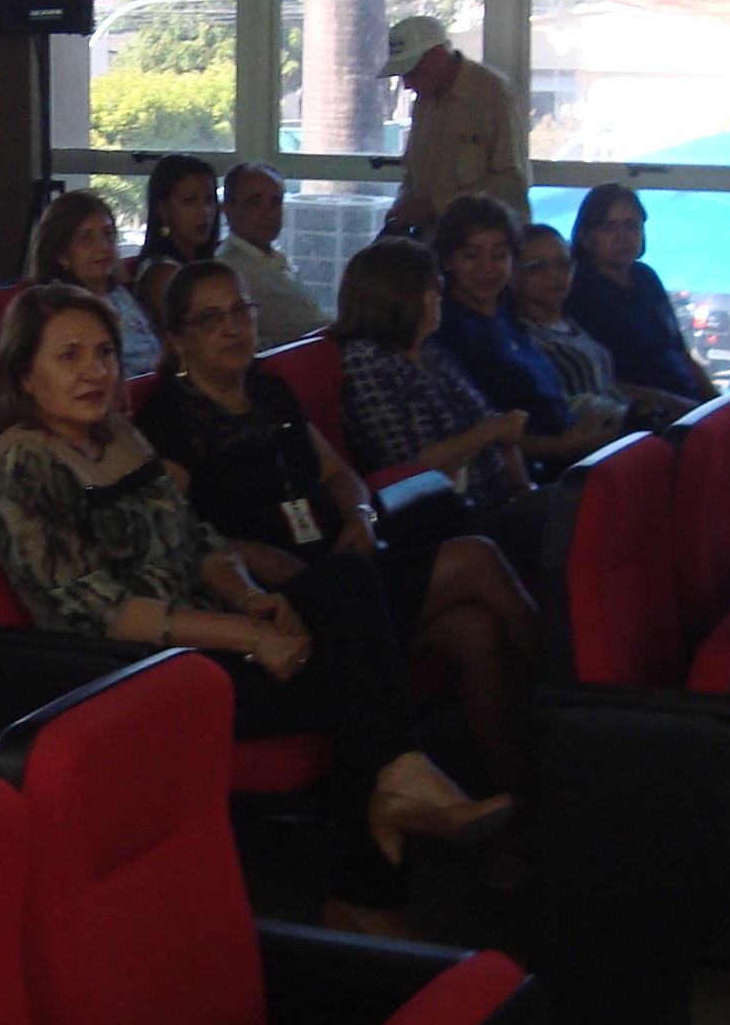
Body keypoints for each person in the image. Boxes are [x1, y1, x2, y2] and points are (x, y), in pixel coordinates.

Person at [0, 282, 503, 938]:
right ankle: (369, 889)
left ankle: (393, 804)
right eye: (69, 356)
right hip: (141, 673)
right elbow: (94, 610)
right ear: (25, 374)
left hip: (214, 633)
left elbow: (200, 541)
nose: (96, 372)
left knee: (345, 582)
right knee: (363, 675)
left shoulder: (119, 437)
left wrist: (253, 599)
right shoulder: (23, 460)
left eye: (105, 353)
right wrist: (245, 635)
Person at [141, 260, 539, 856]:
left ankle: (516, 830)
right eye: (211, 318)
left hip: (342, 571)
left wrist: (359, 514)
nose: (232, 327)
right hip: (279, 598)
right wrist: (267, 563)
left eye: (240, 311)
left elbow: (339, 474)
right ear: (177, 337)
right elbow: (181, 536)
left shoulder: (268, 390)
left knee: (472, 631)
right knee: (476, 558)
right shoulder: (168, 419)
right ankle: (572, 703)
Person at [334, 237, 553, 574]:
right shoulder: (368, 361)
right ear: (400, 295)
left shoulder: (431, 351)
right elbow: (410, 462)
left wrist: (521, 487)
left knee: (576, 498)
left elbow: (498, 428)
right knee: (568, 508)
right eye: (430, 288)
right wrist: (489, 432)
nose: (440, 294)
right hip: (445, 517)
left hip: (497, 497)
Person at [432, 195, 619, 470]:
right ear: (448, 259)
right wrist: (562, 446)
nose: (487, 268)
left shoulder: (506, 318)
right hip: (529, 468)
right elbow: (475, 434)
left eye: (499, 255)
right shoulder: (448, 332)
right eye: (472, 256)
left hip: (573, 443)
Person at [514, 222, 694, 429]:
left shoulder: (571, 324)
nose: (554, 274)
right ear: (513, 274)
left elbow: (606, 386)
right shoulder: (523, 338)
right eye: (537, 267)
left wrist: (667, 404)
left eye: (563, 264)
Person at [566, 183, 719, 404]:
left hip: (686, 398)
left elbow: (680, 350)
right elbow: (595, 380)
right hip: (639, 409)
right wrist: (671, 404)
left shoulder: (646, 277)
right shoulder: (577, 290)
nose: (622, 237)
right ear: (586, 236)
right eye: (609, 228)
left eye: (631, 226)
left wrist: (715, 401)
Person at [379, 14, 527, 231]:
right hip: (435, 241)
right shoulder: (424, 100)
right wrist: (403, 208)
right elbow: (413, 174)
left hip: (488, 242)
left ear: (439, 56)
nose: (407, 84)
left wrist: (436, 206)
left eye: (412, 72)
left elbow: (513, 183)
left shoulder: (494, 94)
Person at [27, 189, 159, 374]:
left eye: (108, 234)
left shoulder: (120, 295)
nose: (103, 246)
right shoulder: (59, 312)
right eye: (86, 238)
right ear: (61, 254)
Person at [215, 161, 331, 342]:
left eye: (275, 202)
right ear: (227, 208)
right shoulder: (231, 271)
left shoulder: (275, 259)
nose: (270, 213)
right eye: (255, 202)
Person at [127, 154, 221, 329]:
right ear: (163, 210)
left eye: (209, 200)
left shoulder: (206, 260)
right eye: (189, 202)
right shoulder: (163, 276)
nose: (204, 212)